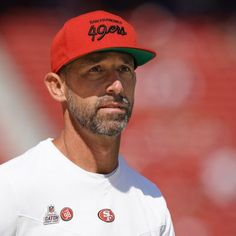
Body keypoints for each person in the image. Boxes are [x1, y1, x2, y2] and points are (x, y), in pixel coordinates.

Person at [0, 10, 175, 236]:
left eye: (124, 69)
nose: (117, 86)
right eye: (96, 69)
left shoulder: (151, 201)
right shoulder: (11, 187)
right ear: (57, 86)